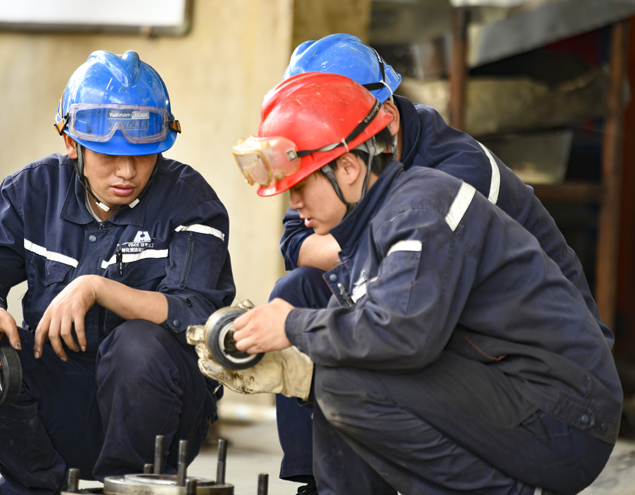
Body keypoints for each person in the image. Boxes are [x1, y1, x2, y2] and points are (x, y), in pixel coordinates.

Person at [188, 72, 622, 495]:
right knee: (332, 368)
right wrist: (299, 366)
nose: (294, 202)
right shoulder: (375, 223)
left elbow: (403, 336)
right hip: (522, 397)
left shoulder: (420, 211)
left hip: (566, 418)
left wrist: (292, 327)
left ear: (348, 167)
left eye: (301, 185)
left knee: (339, 381)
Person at [0, 50, 235, 495]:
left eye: (143, 154)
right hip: (59, 404)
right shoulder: (32, 192)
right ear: (72, 144)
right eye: (109, 155)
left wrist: (96, 288)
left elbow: (198, 311)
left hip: (155, 414)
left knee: (139, 343)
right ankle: (35, 485)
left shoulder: (191, 202)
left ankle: (126, 487)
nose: (127, 171)